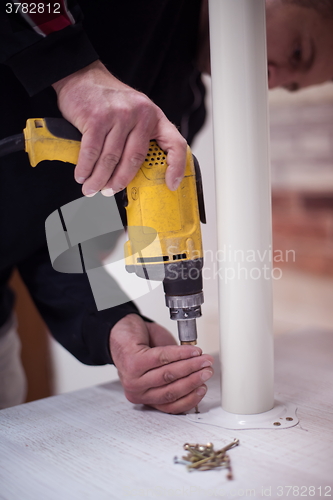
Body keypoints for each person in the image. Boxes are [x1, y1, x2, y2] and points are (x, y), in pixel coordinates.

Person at [1, 0, 332, 412]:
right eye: (298, 52)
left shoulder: (184, 112)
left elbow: (60, 240)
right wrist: (74, 70)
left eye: (291, 85)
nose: (271, 76)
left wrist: (113, 328)